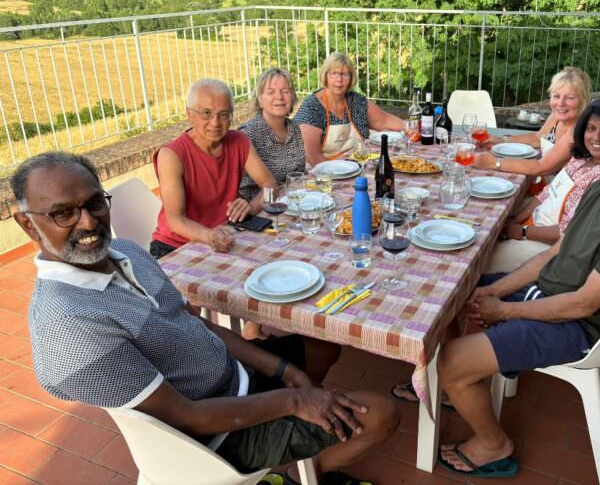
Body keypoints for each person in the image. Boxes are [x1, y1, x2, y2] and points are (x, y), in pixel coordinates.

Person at [13, 152, 400, 485]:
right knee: (382, 413)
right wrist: (295, 399)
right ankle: (300, 474)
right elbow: (189, 418)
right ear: (27, 223)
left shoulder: (125, 251)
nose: (87, 222)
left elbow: (193, 323)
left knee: (322, 339)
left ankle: (302, 455)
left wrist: (285, 371)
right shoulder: (68, 326)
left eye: (95, 203)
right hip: (212, 439)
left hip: (234, 380)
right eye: (63, 213)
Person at [436, 108, 600, 478]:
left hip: (579, 327)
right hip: (546, 294)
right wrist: (495, 291)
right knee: (450, 295)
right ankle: (469, 381)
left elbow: (583, 304)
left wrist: (503, 311)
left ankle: (493, 444)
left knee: (449, 361)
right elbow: (555, 253)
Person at [486, 96, 600, 274]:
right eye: (590, 128)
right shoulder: (582, 158)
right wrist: (517, 220)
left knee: (484, 258)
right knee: (489, 219)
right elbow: (548, 193)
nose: (596, 137)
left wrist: (522, 232)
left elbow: (569, 232)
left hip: (554, 248)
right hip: (537, 223)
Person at [150, 78, 276, 258]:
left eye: (224, 114)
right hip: (175, 246)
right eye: (206, 113)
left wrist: (251, 207)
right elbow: (175, 220)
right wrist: (209, 235)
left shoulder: (239, 141)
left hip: (224, 235)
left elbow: (270, 185)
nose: (215, 122)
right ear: (189, 114)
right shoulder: (171, 155)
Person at [473, 66, 592, 179]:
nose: (561, 103)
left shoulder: (577, 130)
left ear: (583, 101)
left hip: (559, 190)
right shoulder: (557, 117)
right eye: (556, 96)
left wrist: (493, 163)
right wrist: (501, 141)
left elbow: (541, 167)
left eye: (570, 98)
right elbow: (537, 138)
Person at [294, 53, 404, 166]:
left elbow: (385, 121)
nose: (339, 79)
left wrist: (412, 128)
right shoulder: (312, 107)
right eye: (334, 73)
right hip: (323, 175)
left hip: (358, 168)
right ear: (325, 75)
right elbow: (313, 159)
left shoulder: (357, 102)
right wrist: (347, 166)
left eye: (345, 74)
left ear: (351, 78)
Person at [239, 68, 306, 202]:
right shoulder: (249, 134)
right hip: (258, 209)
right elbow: (266, 189)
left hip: (290, 201)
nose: (279, 97)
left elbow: (299, 174)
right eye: (271, 92)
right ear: (260, 99)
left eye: (285, 91)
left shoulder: (294, 128)